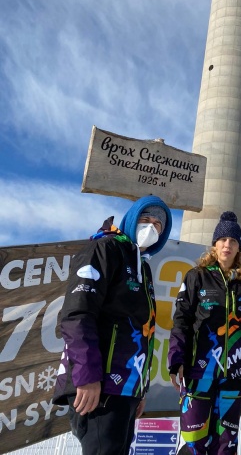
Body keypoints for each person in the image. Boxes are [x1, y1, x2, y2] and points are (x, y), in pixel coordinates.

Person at [53, 195, 172, 455]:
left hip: (126, 389)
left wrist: (139, 391)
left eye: (158, 224)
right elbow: (77, 314)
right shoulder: (105, 248)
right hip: (98, 384)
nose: (151, 227)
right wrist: (87, 376)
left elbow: (144, 332)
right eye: (145, 219)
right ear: (131, 218)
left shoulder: (143, 268)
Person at [168, 211, 241, 455]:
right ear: (214, 244)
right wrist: (176, 360)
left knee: (226, 445)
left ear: (239, 248)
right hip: (199, 372)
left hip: (235, 373)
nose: (227, 245)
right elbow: (181, 320)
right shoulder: (196, 276)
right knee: (194, 443)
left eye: (233, 241)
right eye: (223, 240)